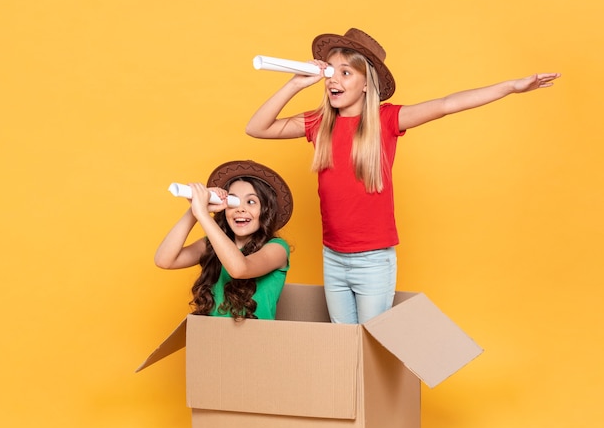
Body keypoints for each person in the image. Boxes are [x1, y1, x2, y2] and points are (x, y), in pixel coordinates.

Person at [246, 27, 560, 324]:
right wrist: (295, 83)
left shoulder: (386, 120)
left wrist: (511, 87)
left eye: (345, 72)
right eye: (329, 70)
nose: (333, 79)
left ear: (366, 82)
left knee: (371, 347)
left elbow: (447, 104)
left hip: (373, 261)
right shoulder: (319, 123)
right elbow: (256, 128)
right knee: (344, 345)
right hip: (333, 257)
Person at [154, 160, 293, 320]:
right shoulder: (213, 244)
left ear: (266, 211)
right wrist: (194, 210)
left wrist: (203, 215)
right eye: (234, 202)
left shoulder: (277, 248)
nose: (240, 209)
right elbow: (164, 260)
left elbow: (239, 269)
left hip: (256, 342)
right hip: (215, 339)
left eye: (251, 202)